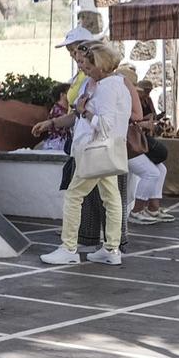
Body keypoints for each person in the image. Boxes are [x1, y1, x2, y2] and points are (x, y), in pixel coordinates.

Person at [42, 41, 132, 265]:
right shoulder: (117, 84)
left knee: (74, 195)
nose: (85, 69)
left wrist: (84, 112)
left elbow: (105, 124)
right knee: (111, 198)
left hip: (96, 148)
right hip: (107, 149)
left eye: (89, 66)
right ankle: (111, 249)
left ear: (100, 66)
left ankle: (69, 248)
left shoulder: (107, 87)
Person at [121, 68, 173, 225]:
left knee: (160, 169)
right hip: (125, 145)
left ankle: (153, 208)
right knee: (151, 173)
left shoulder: (129, 97)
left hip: (132, 141)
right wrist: (140, 123)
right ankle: (136, 211)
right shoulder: (120, 96)